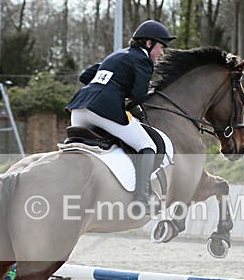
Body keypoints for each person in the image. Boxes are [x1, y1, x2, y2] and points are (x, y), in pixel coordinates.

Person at [66, 20, 175, 208]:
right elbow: (139, 95)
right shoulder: (143, 60)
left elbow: (85, 76)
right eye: (161, 47)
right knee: (147, 145)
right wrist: (122, 96)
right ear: (148, 43)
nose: (162, 53)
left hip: (78, 110)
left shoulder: (116, 55)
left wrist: (109, 87)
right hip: (103, 110)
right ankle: (142, 198)